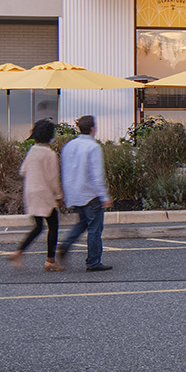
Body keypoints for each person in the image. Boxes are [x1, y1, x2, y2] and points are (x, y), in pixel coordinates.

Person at [57, 114, 114, 272]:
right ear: (93, 129)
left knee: (83, 222)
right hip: (90, 194)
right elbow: (97, 175)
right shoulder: (94, 147)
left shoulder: (69, 146)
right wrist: (104, 196)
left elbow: (65, 171)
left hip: (74, 193)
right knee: (95, 228)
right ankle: (93, 261)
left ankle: (66, 244)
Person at [10, 119, 63, 271]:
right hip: (44, 192)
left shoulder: (32, 150)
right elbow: (53, 178)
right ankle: (50, 261)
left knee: (38, 226)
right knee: (53, 225)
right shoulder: (49, 153)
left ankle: (19, 252)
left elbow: (22, 171)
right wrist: (58, 196)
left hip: (30, 191)